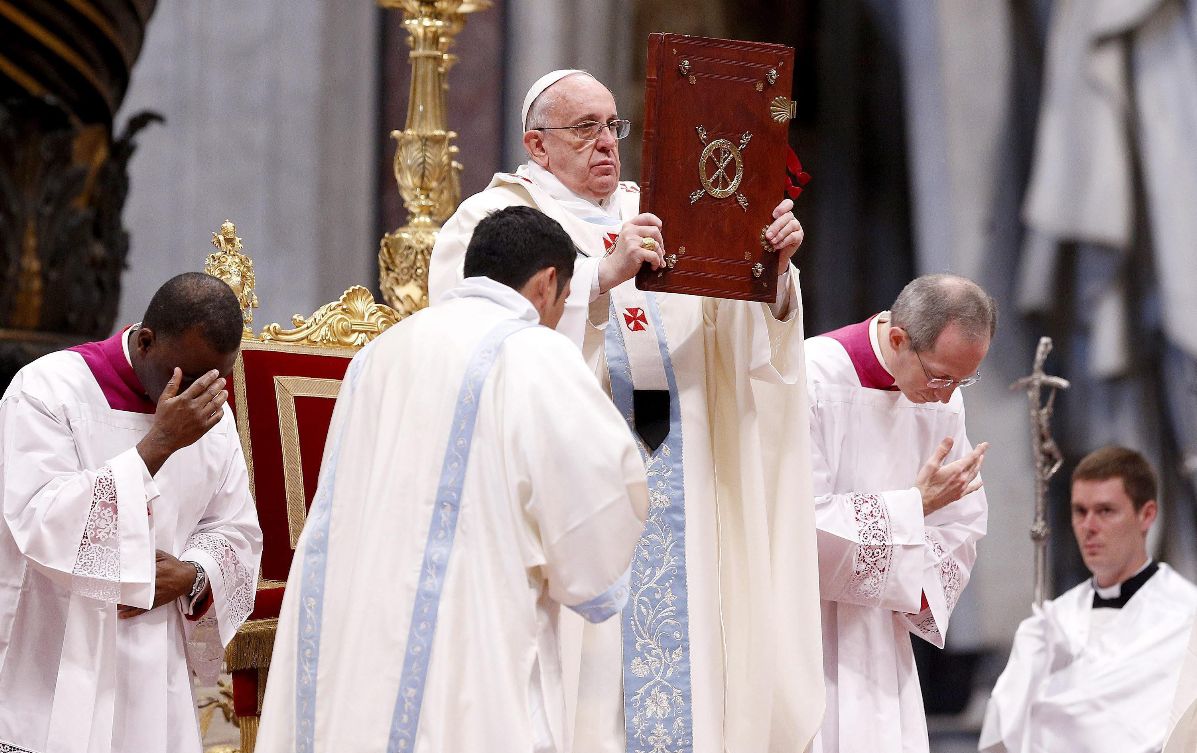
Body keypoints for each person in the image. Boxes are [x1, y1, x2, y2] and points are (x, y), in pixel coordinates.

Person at [428, 69, 823, 753]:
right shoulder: (492, 221)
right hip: (569, 488)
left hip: (685, 480)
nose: (607, 143)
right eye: (586, 128)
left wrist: (772, 270)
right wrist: (597, 280)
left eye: (613, 126)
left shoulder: (671, 208)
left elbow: (740, 341)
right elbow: (476, 343)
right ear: (536, 143)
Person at [255, 207, 649, 753]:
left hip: (361, 636)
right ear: (546, 284)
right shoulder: (535, 353)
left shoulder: (376, 355)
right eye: (564, 300)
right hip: (472, 634)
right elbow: (598, 499)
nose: (559, 315)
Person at [0, 272, 262, 753]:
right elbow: (37, 518)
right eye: (187, 377)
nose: (197, 397)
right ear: (145, 342)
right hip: (58, 658)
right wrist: (157, 445)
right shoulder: (48, 390)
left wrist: (192, 573)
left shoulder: (215, 415)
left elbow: (235, 527)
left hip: (157, 667)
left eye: (216, 379)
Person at [804, 273, 994, 753]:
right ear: (897, 340)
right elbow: (797, 524)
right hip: (806, 630)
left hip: (884, 640)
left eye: (963, 380)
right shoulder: (811, 377)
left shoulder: (944, 399)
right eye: (940, 377)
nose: (947, 395)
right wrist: (914, 509)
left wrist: (915, 576)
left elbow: (963, 523)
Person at [980, 446, 1197, 753]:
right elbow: (1000, 737)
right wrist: (1027, 676)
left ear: (1146, 515)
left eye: (1105, 511)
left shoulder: (1188, 613)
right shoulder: (1052, 622)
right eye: (1080, 511)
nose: (1088, 527)